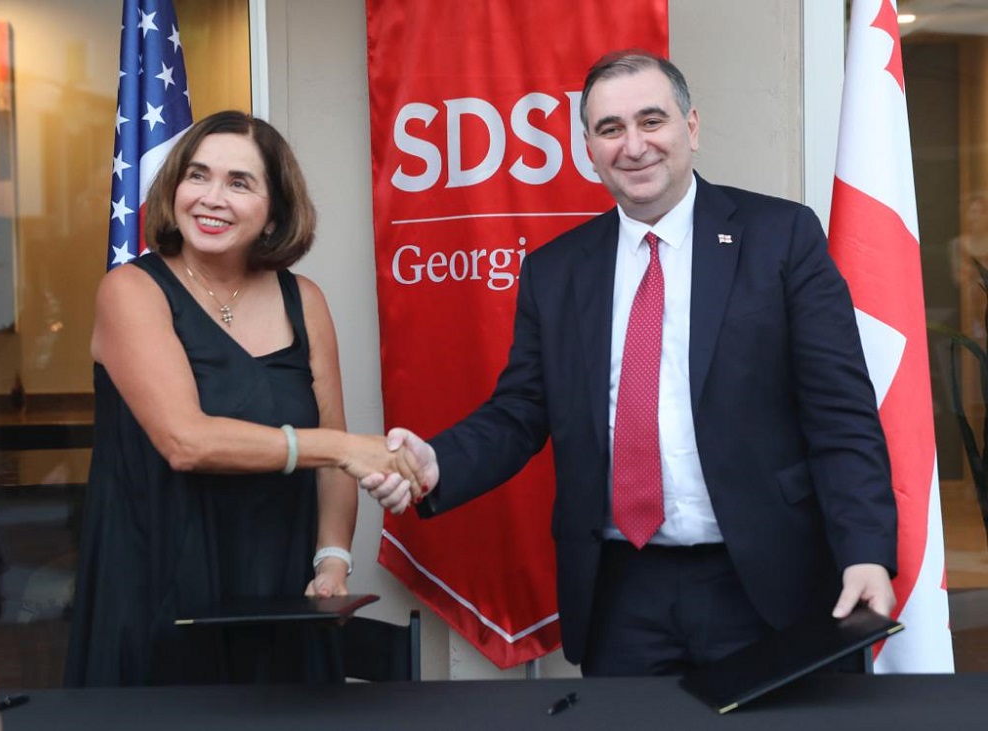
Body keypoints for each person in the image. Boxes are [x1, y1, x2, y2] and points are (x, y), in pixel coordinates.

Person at [362, 51, 898, 677]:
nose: (634, 146)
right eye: (610, 129)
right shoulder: (557, 272)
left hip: (766, 580)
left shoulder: (781, 237)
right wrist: (437, 462)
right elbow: (520, 412)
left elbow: (841, 413)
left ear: (691, 127)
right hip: (622, 595)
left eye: (652, 121)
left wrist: (866, 551)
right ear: (589, 148)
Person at [65, 110, 419, 687]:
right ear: (173, 187)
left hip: (282, 597)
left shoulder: (304, 300)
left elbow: (334, 462)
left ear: (275, 212)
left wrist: (332, 561)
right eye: (197, 175)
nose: (212, 198)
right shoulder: (131, 289)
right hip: (158, 595)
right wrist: (346, 447)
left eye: (239, 182)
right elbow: (187, 442)